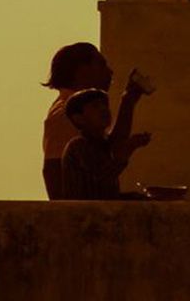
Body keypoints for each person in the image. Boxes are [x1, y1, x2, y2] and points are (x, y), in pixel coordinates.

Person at [38, 44, 145, 200]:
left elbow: (109, 149)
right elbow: (53, 171)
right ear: (81, 70)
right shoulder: (65, 115)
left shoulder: (80, 112)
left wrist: (128, 101)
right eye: (101, 65)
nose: (110, 72)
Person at [58, 88, 152, 200]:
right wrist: (129, 148)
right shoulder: (78, 146)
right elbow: (104, 176)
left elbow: (118, 139)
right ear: (79, 118)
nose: (104, 109)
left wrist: (128, 100)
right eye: (95, 106)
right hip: (85, 215)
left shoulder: (102, 143)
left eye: (105, 105)